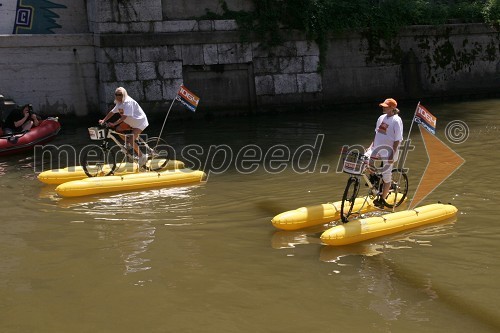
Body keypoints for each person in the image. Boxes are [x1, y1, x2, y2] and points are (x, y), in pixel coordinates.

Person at [99, 87, 149, 166]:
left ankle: (142, 156)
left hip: (140, 122)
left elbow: (124, 117)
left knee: (131, 140)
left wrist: (114, 124)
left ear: (124, 94)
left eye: (120, 94)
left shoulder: (128, 102)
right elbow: (112, 112)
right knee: (118, 130)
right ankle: (128, 144)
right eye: (116, 94)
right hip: (130, 122)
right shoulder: (119, 103)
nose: (118, 96)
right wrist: (104, 120)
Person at [367, 98, 403, 208]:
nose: (383, 107)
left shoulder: (396, 120)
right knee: (364, 161)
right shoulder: (381, 118)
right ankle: (376, 179)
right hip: (376, 148)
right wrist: (370, 147)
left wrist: (392, 154)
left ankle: (382, 199)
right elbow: (376, 134)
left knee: (386, 176)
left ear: (392, 108)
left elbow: (398, 139)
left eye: (385, 106)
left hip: (389, 151)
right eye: (383, 106)